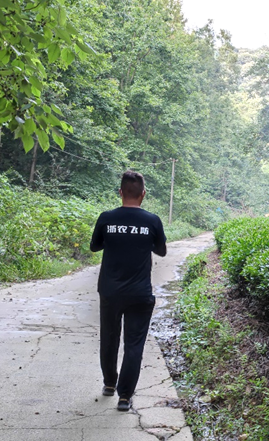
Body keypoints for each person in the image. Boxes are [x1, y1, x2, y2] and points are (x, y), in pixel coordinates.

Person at [90, 171, 167, 411]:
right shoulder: (152, 220)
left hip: (110, 291)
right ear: (143, 194)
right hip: (140, 293)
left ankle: (109, 384)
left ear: (120, 192)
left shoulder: (106, 218)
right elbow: (162, 251)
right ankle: (124, 396)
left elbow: (95, 246)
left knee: (109, 338)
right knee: (134, 344)